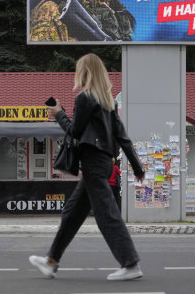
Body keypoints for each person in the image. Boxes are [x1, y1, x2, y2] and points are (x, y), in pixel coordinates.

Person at [29, 53, 145, 281]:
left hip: (92, 164)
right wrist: (138, 168)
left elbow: (74, 132)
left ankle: (130, 264)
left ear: (85, 72)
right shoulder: (108, 103)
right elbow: (123, 138)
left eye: (79, 69)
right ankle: (51, 261)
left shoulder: (85, 98)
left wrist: (59, 114)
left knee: (107, 215)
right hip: (103, 164)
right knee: (72, 213)